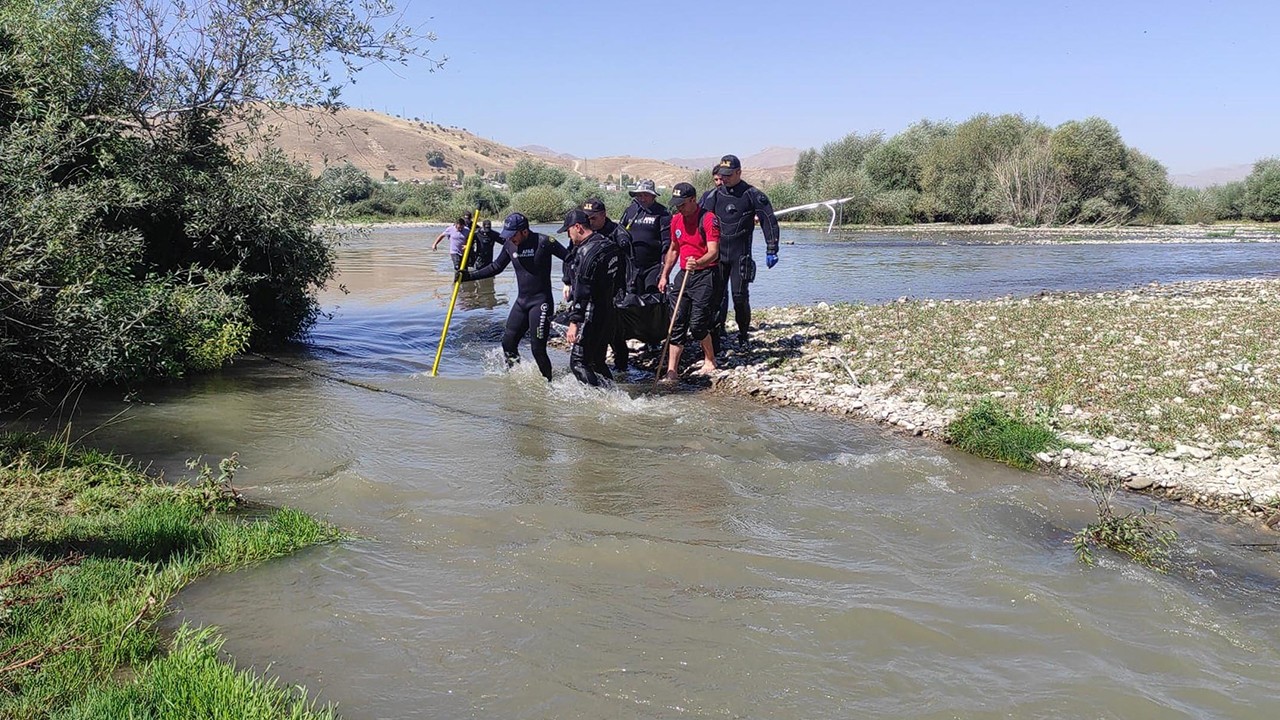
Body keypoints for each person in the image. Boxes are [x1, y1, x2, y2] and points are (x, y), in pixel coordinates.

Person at [457, 212, 568, 381]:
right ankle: (514, 377)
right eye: (507, 235)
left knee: (537, 349)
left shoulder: (544, 242)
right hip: (522, 302)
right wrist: (469, 276)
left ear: (524, 231)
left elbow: (570, 258)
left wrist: (568, 281)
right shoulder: (509, 245)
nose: (510, 238)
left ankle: (549, 384)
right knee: (508, 344)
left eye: (513, 234)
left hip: (541, 303)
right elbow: (496, 267)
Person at [699, 154, 780, 347]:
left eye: (728, 175)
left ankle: (743, 333)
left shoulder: (752, 195)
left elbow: (769, 220)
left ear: (739, 172)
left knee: (739, 296)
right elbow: (698, 221)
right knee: (715, 297)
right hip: (717, 255)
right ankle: (716, 335)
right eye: (722, 175)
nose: (724, 179)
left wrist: (772, 248)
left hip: (740, 255)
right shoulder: (713, 196)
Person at [658, 182, 720, 384]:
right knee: (676, 321)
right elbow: (674, 249)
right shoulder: (676, 220)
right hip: (684, 273)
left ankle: (710, 360)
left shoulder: (708, 219)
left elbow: (713, 252)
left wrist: (698, 261)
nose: (679, 209)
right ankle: (671, 370)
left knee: (698, 324)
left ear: (693, 200)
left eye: (682, 204)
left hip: (705, 274)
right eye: (676, 205)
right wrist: (665, 274)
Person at [560, 208, 626, 387]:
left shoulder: (586, 253)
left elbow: (582, 291)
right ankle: (614, 394)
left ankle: (600, 399)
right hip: (609, 311)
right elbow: (621, 277)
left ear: (578, 227)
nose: (568, 236)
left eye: (569, 231)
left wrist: (574, 322)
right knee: (597, 361)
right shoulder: (608, 245)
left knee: (578, 363)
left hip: (592, 313)